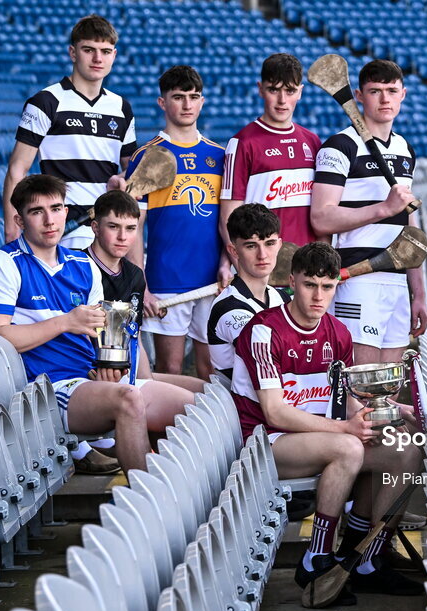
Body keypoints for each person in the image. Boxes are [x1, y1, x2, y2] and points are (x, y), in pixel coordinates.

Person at [231, 242, 423, 600]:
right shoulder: (264, 330)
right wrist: (345, 429)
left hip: (323, 440)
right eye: (309, 285)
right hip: (267, 443)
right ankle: (317, 557)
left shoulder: (338, 333)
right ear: (292, 282)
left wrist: (391, 414)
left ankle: (366, 557)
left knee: (404, 450)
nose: (318, 296)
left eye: (327, 286)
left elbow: (345, 403)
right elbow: (274, 412)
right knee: (349, 446)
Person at [0, 175, 195, 476]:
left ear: (66, 212)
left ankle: (184, 490)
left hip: (91, 381)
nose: (49, 220)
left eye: (56, 208)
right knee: (129, 400)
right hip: (47, 388)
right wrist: (66, 322)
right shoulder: (5, 262)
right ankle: (150, 499)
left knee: (197, 408)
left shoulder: (83, 266)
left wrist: (108, 362)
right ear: (19, 219)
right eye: (36, 211)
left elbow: (102, 335)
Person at [311, 59, 427, 364]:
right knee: (360, 381)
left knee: (388, 384)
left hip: (397, 280)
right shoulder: (339, 146)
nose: (385, 99)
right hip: (357, 277)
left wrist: (419, 293)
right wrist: (382, 208)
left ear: (403, 93)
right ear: (359, 96)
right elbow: (321, 217)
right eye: (375, 91)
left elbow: (409, 231)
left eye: (392, 90)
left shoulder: (405, 149)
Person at [126, 65, 225, 381]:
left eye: (193, 97)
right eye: (178, 97)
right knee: (169, 370)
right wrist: (141, 285)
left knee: (210, 370)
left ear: (202, 101)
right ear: (162, 103)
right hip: (167, 282)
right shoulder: (149, 156)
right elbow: (133, 227)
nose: (186, 105)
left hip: (212, 282)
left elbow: (228, 223)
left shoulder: (219, 155)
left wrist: (227, 264)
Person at [4, 15, 135, 249]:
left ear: (114, 56)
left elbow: (130, 170)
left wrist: (123, 179)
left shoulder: (122, 108)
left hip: (108, 226)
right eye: (89, 50)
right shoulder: (46, 102)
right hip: (65, 228)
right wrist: (12, 227)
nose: (97, 58)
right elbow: (17, 168)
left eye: (105, 51)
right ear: (73, 53)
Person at [87, 190, 206, 393]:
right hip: (91, 373)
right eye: (113, 227)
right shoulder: (77, 267)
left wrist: (145, 380)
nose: (122, 237)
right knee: (186, 402)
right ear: (96, 228)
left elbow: (135, 336)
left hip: (124, 372)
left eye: (131, 228)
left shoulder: (134, 275)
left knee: (208, 390)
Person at [220, 53, 321, 247]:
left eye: (290, 91)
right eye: (274, 90)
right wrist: (244, 267)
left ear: (300, 92)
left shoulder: (312, 141)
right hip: (262, 267)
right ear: (260, 89)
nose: (282, 100)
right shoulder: (242, 142)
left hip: (304, 267)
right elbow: (228, 219)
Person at [207, 203, 289, 380]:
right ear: (233, 251)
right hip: (239, 405)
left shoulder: (282, 298)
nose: (262, 255)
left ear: (279, 245)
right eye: (251, 246)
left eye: (269, 243)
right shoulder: (228, 307)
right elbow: (270, 358)